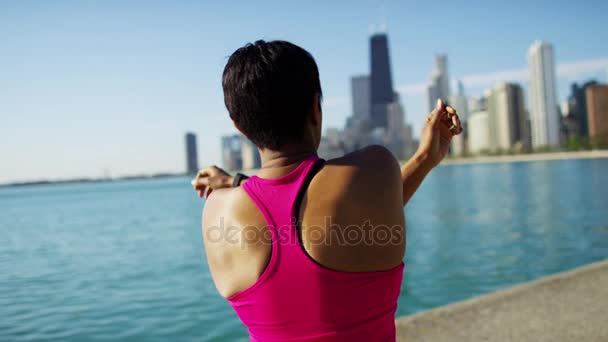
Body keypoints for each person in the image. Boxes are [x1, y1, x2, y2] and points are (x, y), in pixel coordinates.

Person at [191, 40, 462, 342]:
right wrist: (424, 159)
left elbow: (281, 210)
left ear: (239, 126)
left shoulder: (216, 212)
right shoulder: (375, 168)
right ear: (315, 108)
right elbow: (370, 205)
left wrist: (238, 184)